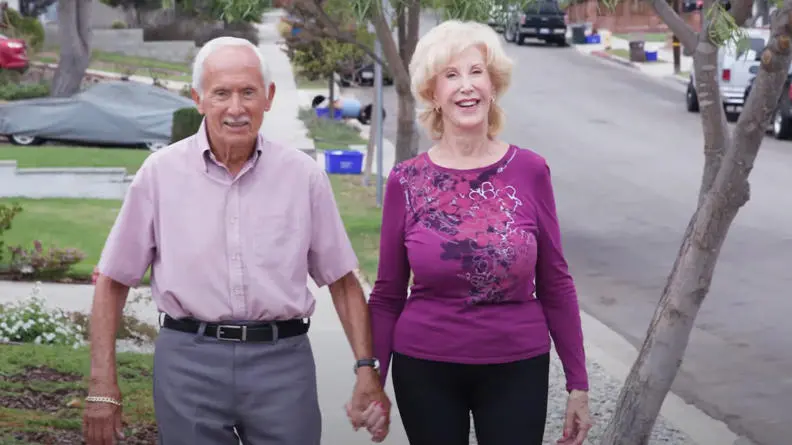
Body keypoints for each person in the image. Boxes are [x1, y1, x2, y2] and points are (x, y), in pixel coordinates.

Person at [82, 36, 390, 445]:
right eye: (221, 93)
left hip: (283, 364)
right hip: (188, 364)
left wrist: (366, 369)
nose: (236, 108)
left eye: (248, 92)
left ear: (269, 97)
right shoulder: (159, 174)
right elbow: (113, 279)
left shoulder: (303, 176)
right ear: (198, 99)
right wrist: (103, 384)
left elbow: (343, 280)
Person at [365, 20, 593, 445]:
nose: (465, 86)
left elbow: (556, 282)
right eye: (450, 75)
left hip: (517, 365)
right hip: (425, 365)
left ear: (493, 84)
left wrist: (578, 385)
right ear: (433, 93)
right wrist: (374, 382)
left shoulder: (530, 171)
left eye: (476, 72)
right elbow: (388, 294)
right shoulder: (406, 180)